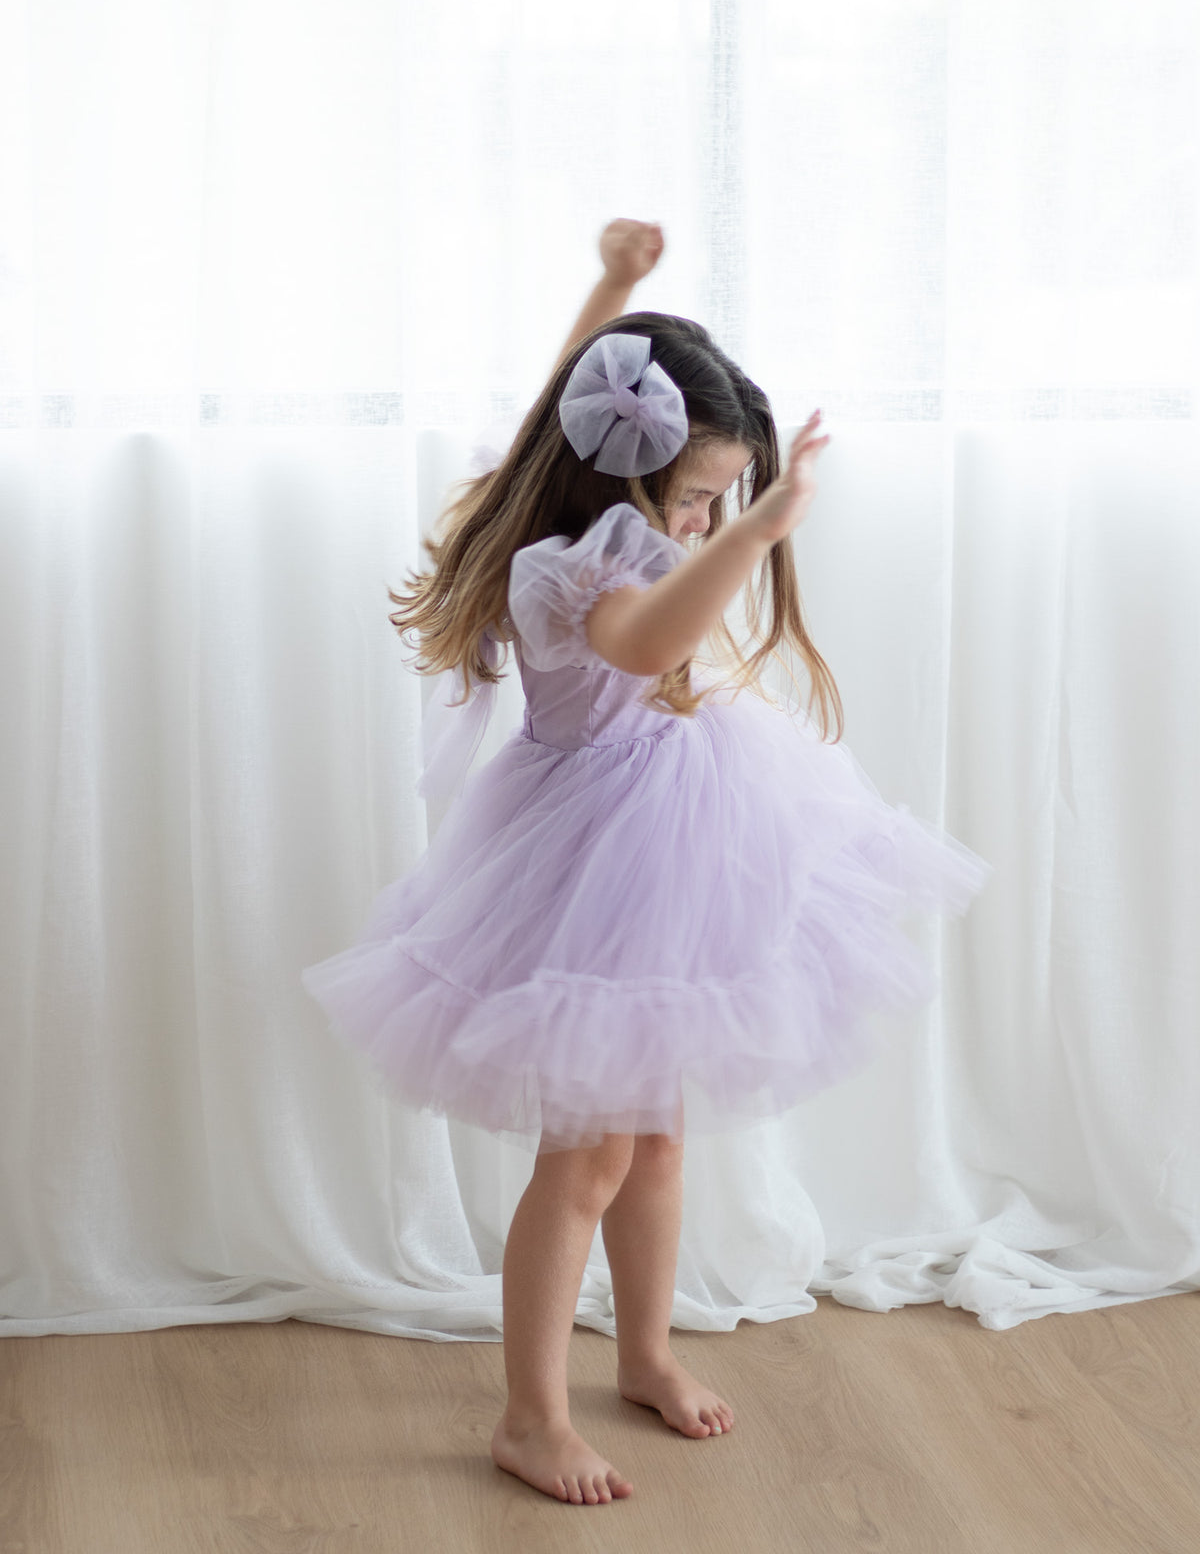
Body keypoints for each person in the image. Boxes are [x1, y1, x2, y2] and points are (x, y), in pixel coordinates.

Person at [301, 219, 991, 1506]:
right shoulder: (569, 566)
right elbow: (644, 642)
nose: (702, 518)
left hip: (684, 827)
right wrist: (764, 526)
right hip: (591, 854)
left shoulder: (569, 492)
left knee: (660, 1142)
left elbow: (555, 421)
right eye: (690, 497)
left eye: (719, 499)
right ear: (617, 479)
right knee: (590, 1157)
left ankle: (647, 1352)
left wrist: (613, 289)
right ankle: (526, 1413)